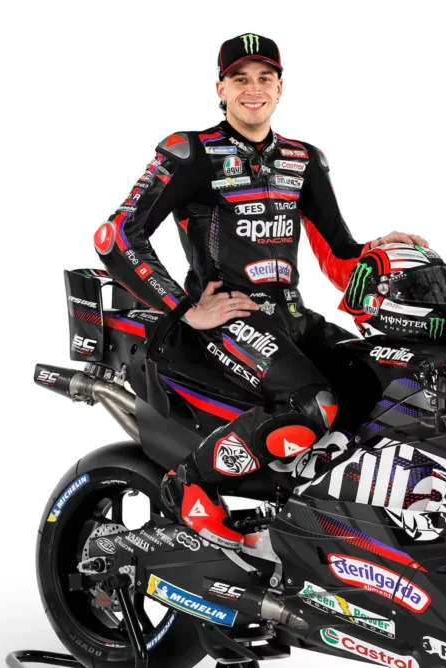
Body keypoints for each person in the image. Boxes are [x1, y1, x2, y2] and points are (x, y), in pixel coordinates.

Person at [93, 32, 427, 550]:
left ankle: (328, 511)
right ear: (220, 89)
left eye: (264, 78)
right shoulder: (191, 152)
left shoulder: (304, 158)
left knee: (391, 379)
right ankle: (191, 483)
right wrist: (185, 310)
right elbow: (116, 236)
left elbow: (338, 251)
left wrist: (380, 250)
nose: (254, 89)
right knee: (310, 404)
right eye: (240, 79)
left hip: (292, 316)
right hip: (231, 319)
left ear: (280, 87)